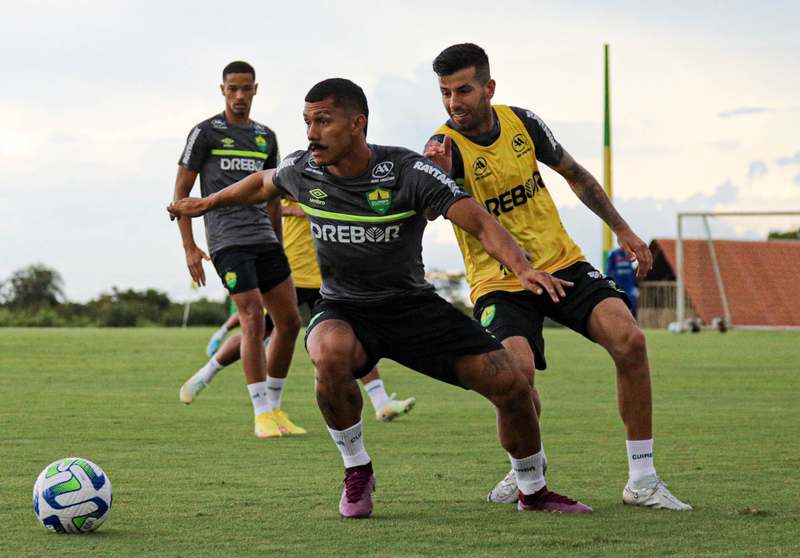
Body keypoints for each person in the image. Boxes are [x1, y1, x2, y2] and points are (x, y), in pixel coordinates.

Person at [169, 78, 592, 518]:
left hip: (413, 308)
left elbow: (480, 223)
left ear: (357, 124)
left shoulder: (408, 171)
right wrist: (208, 203)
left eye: (323, 121)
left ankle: (533, 490)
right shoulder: (304, 169)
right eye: (307, 122)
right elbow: (260, 185)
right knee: (328, 353)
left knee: (512, 385)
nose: (311, 133)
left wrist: (521, 268)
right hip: (345, 310)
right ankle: (357, 471)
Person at [424, 43, 691, 510]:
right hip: (500, 281)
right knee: (516, 374)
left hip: (562, 264)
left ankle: (642, 481)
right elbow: (425, 214)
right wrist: (438, 179)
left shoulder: (523, 123)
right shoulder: (443, 148)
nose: (454, 103)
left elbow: (576, 174)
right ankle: (526, 471)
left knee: (631, 342)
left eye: (463, 90)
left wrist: (622, 228)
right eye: (445, 92)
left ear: (489, 87)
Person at [185, 198, 418, 423]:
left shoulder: (332, 185)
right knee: (256, 332)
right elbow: (266, 204)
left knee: (353, 333)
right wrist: (295, 210)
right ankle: (206, 374)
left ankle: (381, 402)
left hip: (325, 275)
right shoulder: (292, 179)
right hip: (289, 275)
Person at [173, 61, 304, 439]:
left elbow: (274, 195)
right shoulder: (205, 132)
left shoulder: (266, 137)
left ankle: (276, 409)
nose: (240, 96)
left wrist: (278, 240)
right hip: (227, 240)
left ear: (256, 89)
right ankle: (260, 413)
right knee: (250, 319)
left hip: (264, 239)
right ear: (223, 89)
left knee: (290, 323)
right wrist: (190, 247)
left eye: (246, 88)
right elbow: (182, 195)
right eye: (233, 88)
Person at [605, 248, 638, 319]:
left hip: (629, 285)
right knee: (616, 303)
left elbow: (631, 268)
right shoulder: (614, 254)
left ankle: (634, 321)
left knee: (633, 300)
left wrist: (635, 281)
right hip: (617, 284)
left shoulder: (629, 254)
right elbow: (608, 269)